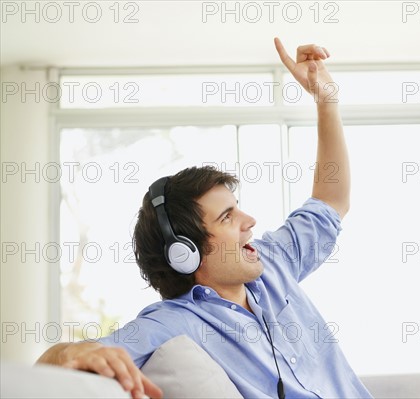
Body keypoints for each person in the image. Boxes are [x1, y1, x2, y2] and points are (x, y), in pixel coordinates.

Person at [37, 37, 372, 399]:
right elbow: (49, 368)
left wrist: (326, 102)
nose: (250, 221)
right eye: (228, 217)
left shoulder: (271, 263)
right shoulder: (175, 323)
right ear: (187, 252)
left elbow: (330, 200)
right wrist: (72, 351)